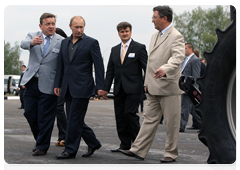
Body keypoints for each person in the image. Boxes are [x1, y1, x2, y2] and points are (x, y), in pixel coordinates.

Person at [119, 6, 185, 163]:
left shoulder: (176, 36)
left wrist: (165, 68)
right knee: (149, 119)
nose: (152, 20)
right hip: (153, 86)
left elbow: (177, 57)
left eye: (154, 17)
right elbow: (150, 62)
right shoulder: (155, 35)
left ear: (164, 18)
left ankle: (171, 153)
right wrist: (147, 82)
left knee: (171, 123)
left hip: (169, 87)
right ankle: (138, 150)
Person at [54, 16, 105, 159]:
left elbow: (99, 65)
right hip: (67, 86)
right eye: (76, 27)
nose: (79, 30)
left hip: (83, 87)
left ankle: (70, 150)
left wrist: (101, 86)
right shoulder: (64, 43)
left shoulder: (91, 43)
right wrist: (58, 84)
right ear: (70, 26)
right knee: (74, 118)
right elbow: (61, 65)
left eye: (81, 27)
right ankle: (93, 142)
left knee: (74, 119)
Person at [20, 13, 64, 156]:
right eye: (48, 24)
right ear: (41, 26)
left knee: (46, 117)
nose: (51, 27)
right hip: (31, 82)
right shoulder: (33, 35)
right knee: (29, 113)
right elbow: (23, 44)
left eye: (53, 24)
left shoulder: (61, 41)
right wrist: (32, 43)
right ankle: (40, 138)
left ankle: (42, 146)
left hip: (50, 84)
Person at [102, 22, 148, 152]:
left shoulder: (139, 48)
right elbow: (110, 70)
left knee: (130, 114)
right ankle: (124, 144)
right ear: (118, 33)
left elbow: (147, 68)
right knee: (120, 116)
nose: (124, 34)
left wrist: (146, 84)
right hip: (119, 89)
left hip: (134, 89)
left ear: (131, 32)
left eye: (127, 31)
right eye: (122, 32)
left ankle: (138, 145)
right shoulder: (114, 49)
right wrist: (105, 88)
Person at [179, 43, 202, 132]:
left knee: (185, 108)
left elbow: (196, 76)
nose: (184, 50)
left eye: (185, 49)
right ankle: (202, 124)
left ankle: (181, 126)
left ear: (190, 49)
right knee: (192, 109)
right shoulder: (187, 59)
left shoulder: (195, 60)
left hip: (189, 88)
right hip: (185, 87)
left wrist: (193, 90)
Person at [54, 28, 68, 147]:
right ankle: (62, 135)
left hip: (64, 82)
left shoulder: (65, 45)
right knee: (56, 109)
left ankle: (64, 135)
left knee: (59, 107)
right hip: (53, 82)